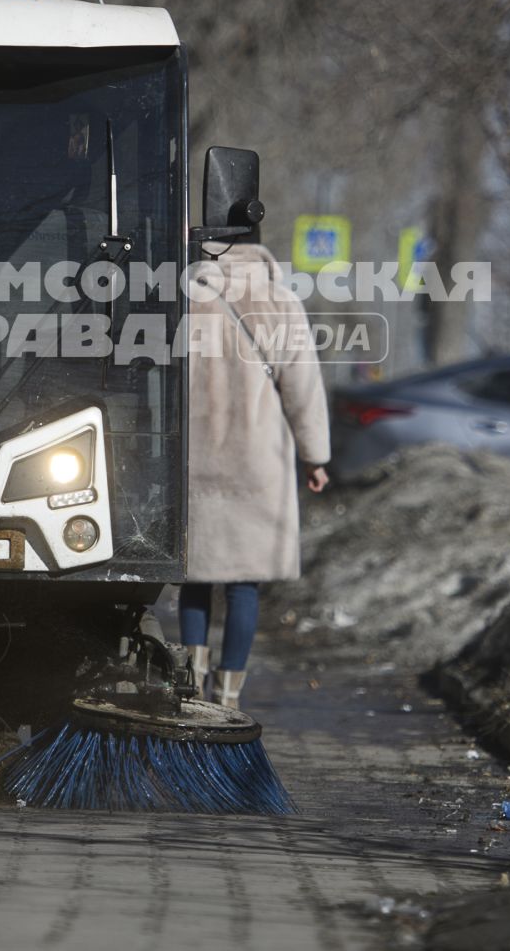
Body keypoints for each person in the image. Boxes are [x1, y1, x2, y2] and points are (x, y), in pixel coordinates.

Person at [180, 242, 330, 708]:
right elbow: (302, 387)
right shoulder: (281, 302)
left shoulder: (186, 298)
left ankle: (188, 686)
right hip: (258, 461)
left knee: (194, 575)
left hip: (195, 456)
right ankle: (227, 697)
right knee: (244, 584)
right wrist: (315, 457)